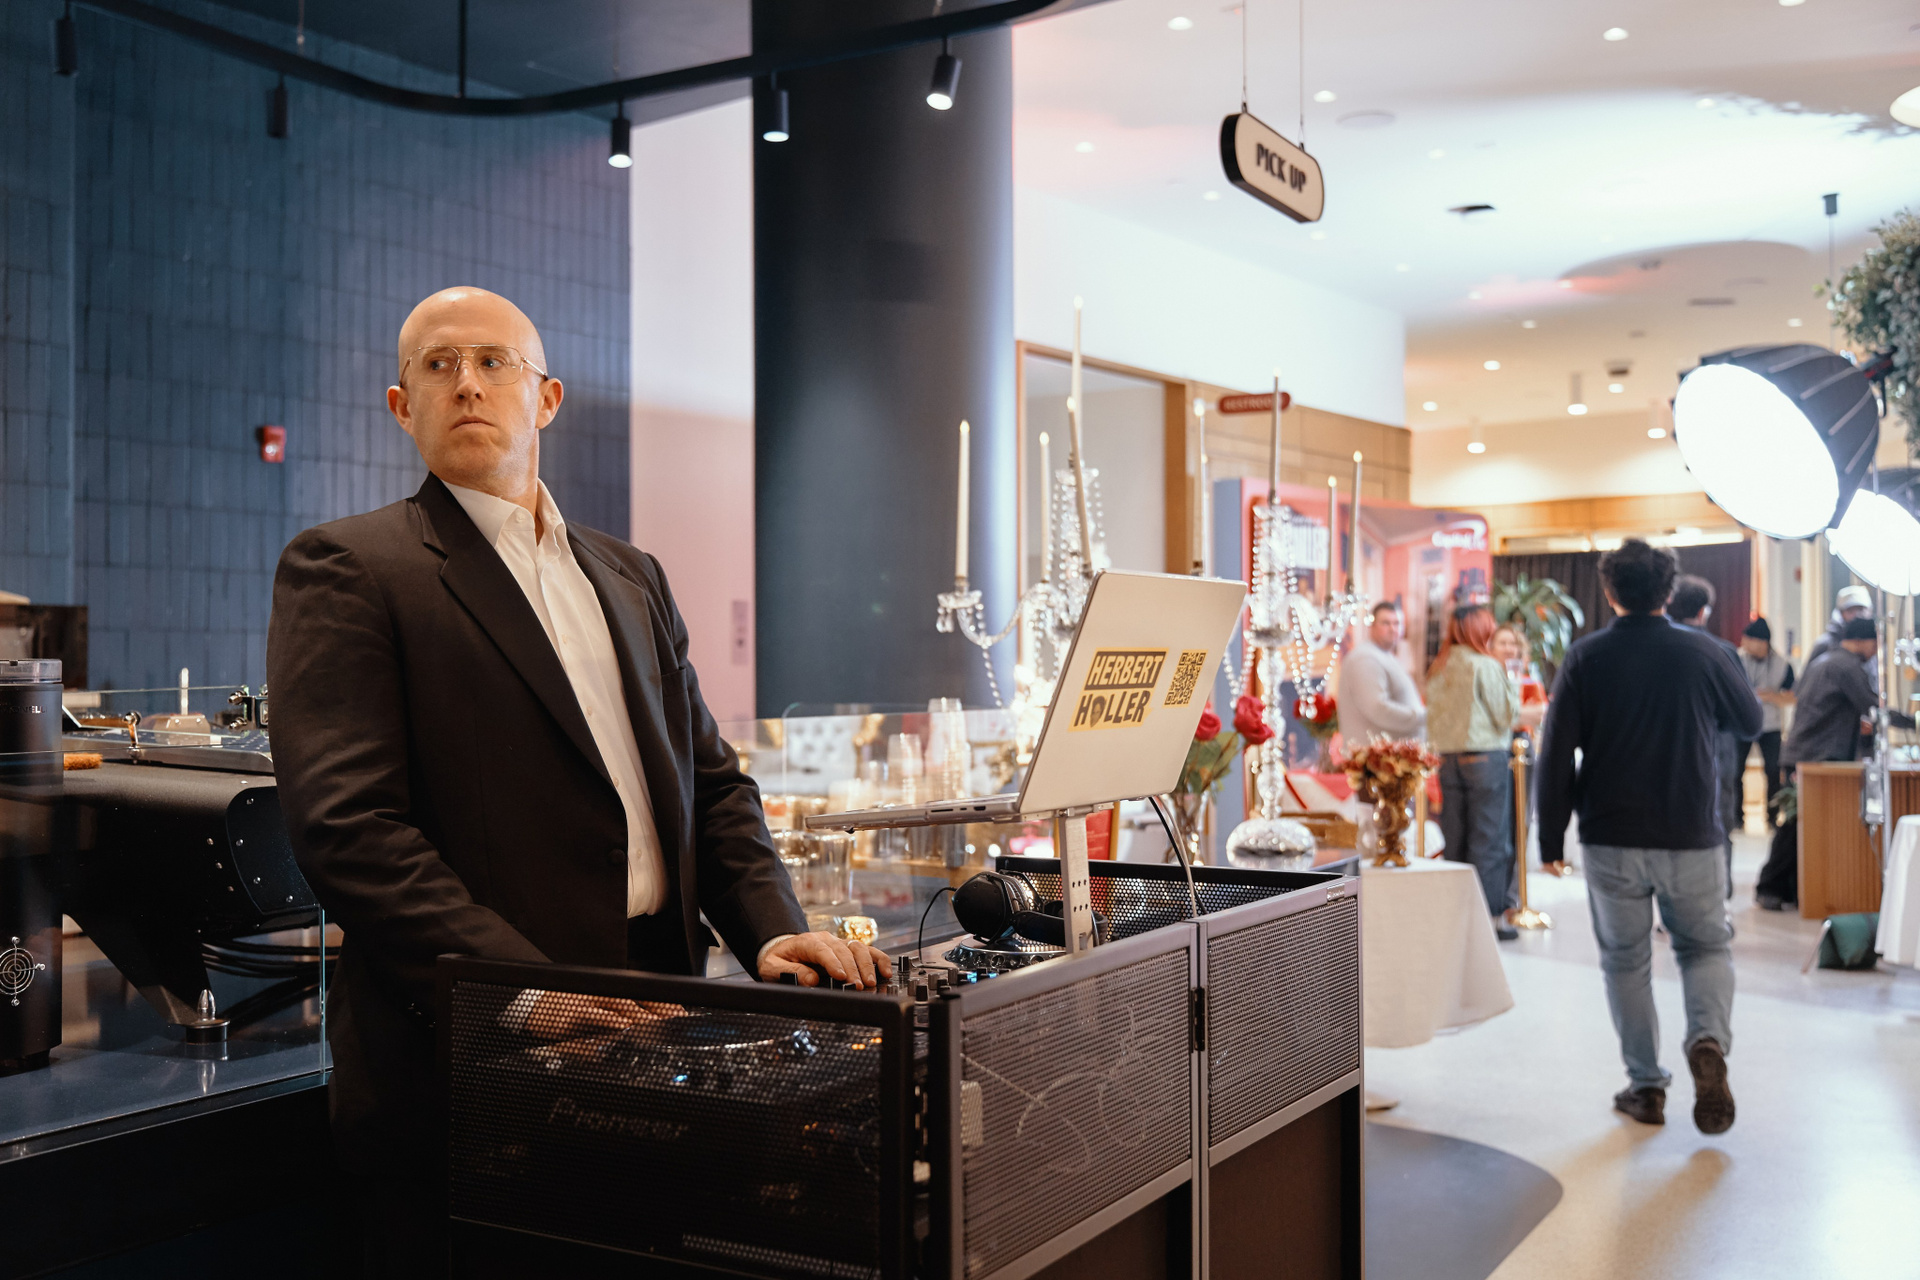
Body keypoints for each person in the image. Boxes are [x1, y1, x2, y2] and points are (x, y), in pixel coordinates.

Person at [267, 287, 889, 1273]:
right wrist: (524, 989)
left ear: (546, 397)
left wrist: (773, 929)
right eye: (438, 366)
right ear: (401, 406)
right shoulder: (348, 567)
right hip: (477, 1059)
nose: (467, 383)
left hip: (665, 1028)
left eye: (494, 361)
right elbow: (349, 827)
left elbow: (712, 786)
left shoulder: (632, 574)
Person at [1536, 539, 1760, 1135]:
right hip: (1692, 830)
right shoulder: (1706, 652)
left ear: (1610, 591)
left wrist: (1551, 840)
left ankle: (1645, 1086)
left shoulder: (1586, 657)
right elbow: (1751, 720)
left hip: (1611, 834)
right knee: (1705, 948)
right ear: (1670, 590)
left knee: (1625, 960)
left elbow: (1555, 753)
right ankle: (1707, 1040)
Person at [1756, 617, 1886, 910]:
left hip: (1802, 753)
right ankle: (1770, 886)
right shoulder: (1847, 667)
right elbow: (1872, 706)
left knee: (1802, 825)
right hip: (1816, 757)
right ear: (1864, 640)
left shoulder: (1824, 661)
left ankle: (1789, 890)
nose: (1876, 651)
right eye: (1876, 643)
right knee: (1796, 825)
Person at [1426, 604, 1520, 939]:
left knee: (1456, 839)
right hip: (1484, 758)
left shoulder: (1439, 666)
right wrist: (1511, 680)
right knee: (1489, 841)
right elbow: (1506, 715)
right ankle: (1489, 921)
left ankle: (1458, 919)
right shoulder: (1485, 665)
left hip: (1448, 760)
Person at [1667, 575, 1750, 895]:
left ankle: (1673, 897)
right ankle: (1720, 893)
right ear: (1704, 612)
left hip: (1669, 752)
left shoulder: (1659, 648)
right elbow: (1745, 713)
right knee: (1718, 822)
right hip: (1717, 748)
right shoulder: (1723, 651)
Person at [1337, 600, 1425, 749]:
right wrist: (1423, 717)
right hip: (1374, 757)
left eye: (1397, 623)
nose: (1392, 629)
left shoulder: (1385, 656)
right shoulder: (1364, 659)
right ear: (1372, 626)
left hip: (1394, 756)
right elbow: (1378, 709)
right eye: (1385, 623)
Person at [1737, 618, 1795, 828]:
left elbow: (1793, 697)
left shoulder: (1782, 665)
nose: (1743, 643)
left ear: (1762, 642)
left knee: (1772, 770)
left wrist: (1772, 696)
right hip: (1741, 723)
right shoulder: (1737, 659)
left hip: (1770, 725)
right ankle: (1736, 817)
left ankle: (1771, 817)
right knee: (1735, 770)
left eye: (1748, 640)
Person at [1806, 584, 1872, 667]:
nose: (1856, 615)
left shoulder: (1872, 647)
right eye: (1850, 611)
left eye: (1860, 610)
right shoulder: (1825, 644)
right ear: (1840, 613)